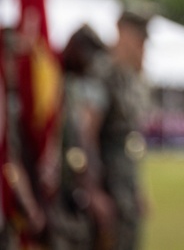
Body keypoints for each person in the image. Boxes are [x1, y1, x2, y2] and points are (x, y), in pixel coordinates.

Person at [91, 0, 155, 250]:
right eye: (137, 36)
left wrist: (135, 188)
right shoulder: (101, 72)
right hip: (104, 188)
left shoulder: (129, 76)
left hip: (123, 188)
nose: (141, 45)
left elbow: (127, 140)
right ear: (120, 29)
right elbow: (86, 135)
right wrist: (93, 192)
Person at [49, 24, 115, 250]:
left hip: (74, 195)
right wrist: (91, 191)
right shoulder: (56, 86)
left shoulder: (72, 86)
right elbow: (76, 146)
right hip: (61, 198)